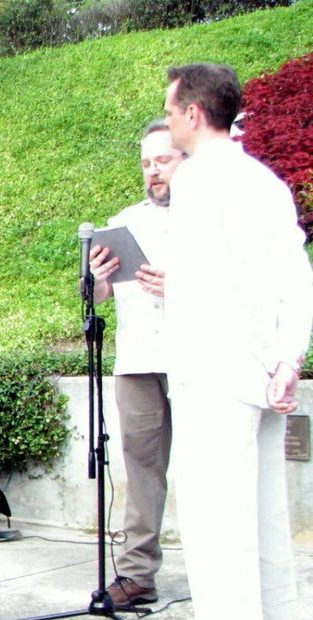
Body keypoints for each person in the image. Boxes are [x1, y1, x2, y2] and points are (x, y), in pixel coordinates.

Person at [162, 63, 312, 619]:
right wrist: (288, 359)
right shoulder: (267, 182)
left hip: (217, 374)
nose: (170, 121)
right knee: (267, 525)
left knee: (219, 537)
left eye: (172, 111)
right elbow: (296, 276)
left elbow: (226, 286)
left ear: (194, 114)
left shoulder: (196, 178)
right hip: (261, 376)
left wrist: (275, 357)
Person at [86, 120, 184, 607]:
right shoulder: (124, 220)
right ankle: (138, 573)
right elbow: (100, 295)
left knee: (210, 463)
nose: (154, 172)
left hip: (196, 356)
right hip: (139, 360)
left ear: (185, 157)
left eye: (162, 160)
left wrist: (181, 287)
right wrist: (99, 281)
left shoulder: (212, 217)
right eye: (146, 163)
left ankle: (226, 565)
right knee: (142, 467)